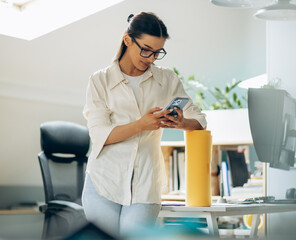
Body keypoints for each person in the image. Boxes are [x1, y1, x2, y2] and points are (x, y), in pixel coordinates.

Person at [82, 12, 206, 237]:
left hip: (146, 184)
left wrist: (181, 122)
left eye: (157, 53)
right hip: (103, 182)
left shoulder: (167, 79)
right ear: (128, 40)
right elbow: (100, 135)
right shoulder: (99, 81)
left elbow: (199, 121)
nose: (150, 58)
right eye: (146, 49)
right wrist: (141, 124)